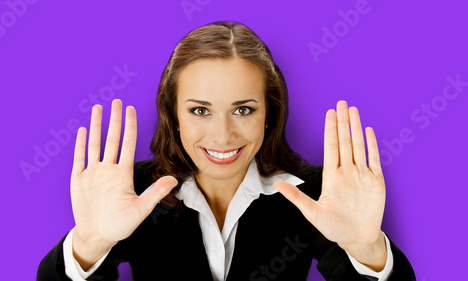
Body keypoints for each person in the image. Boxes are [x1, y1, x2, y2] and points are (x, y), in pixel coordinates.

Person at [37, 21, 415, 281]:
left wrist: (368, 250)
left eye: (243, 109)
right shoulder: (129, 190)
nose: (222, 135)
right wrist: (89, 245)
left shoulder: (317, 193)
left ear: (269, 114)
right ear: (174, 116)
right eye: (200, 110)